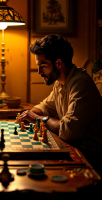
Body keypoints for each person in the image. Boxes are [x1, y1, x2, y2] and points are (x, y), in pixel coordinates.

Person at [19, 34, 102, 175]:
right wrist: (27, 115)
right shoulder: (61, 82)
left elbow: (68, 131)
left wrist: (39, 119)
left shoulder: (80, 84)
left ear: (58, 63)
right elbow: (46, 106)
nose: (39, 71)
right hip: (75, 148)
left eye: (42, 66)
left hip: (91, 157)